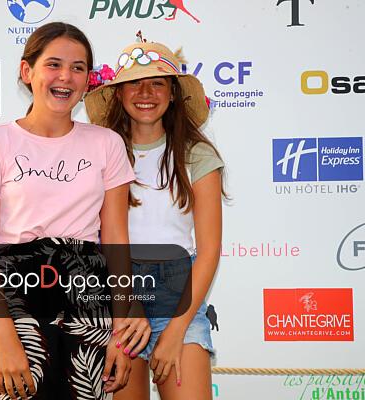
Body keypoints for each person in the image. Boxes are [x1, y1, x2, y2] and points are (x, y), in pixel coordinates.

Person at [0, 22, 150, 400]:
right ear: (27, 71)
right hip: (12, 304)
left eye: (78, 68)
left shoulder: (107, 144)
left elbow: (115, 243)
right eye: (54, 64)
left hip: (87, 306)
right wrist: (6, 337)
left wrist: (119, 332)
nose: (66, 76)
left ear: (88, 80)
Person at [85, 38, 225, 400]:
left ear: (174, 93)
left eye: (157, 83)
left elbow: (209, 251)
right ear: (118, 93)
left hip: (178, 299)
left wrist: (176, 330)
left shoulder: (197, 155)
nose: (145, 93)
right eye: (134, 82)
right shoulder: (101, 154)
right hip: (117, 295)